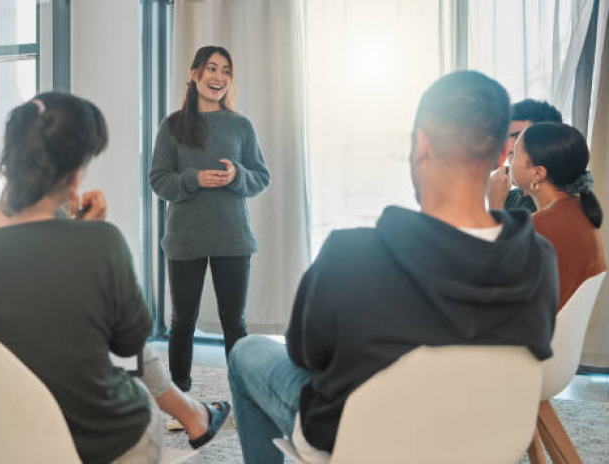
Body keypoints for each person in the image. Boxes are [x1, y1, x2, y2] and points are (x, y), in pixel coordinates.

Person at [227, 71, 559, 463]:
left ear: (421, 145)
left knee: (246, 351)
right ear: (504, 155)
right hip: (480, 441)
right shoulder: (539, 259)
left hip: (358, 443)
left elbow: (305, 355)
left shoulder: (350, 255)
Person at [0, 93, 229, 464]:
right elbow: (127, 347)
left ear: (8, 160)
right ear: (75, 174)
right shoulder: (100, 243)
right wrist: (90, 244)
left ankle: (193, 413)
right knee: (139, 392)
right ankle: (193, 414)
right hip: (97, 445)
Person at [149, 45, 270, 392]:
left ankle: (243, 394)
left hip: (233, 239)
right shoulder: (172, 126)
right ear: (195, 73)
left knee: (235, 323)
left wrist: (237, 176)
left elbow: (261, 177)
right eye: (212, 69)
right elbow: (159, 180)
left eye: (226, 71)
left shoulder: (240, 125)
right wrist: (193, 179)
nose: (219, 77)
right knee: (182, 321)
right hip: (185, 239)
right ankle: (181, 394)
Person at [510, 122, 607, 310]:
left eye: (515, 153)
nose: (509, 159)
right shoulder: (577, 209)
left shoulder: (542, 225)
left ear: (538, 173)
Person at [487, 98, 563, 212]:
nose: (508, 145)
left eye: (518, 136)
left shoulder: (560, 202)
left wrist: (495, 205)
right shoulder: (508, 197)